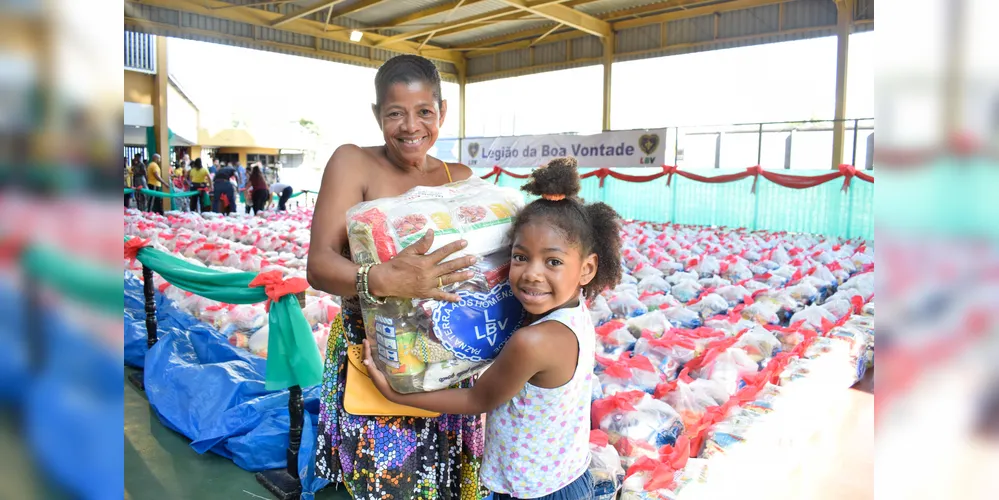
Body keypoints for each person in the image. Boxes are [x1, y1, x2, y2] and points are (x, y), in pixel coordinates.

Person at [364, 157, 623, 500]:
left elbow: (477, 398)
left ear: (587, 269)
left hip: (535, 493)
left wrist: (394, 394)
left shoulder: (533, 341)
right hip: (568, 476)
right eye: (520, 257)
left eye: (553, 261)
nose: (532, 273)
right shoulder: (573, 313)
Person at [307, 54, 482, 499]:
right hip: (374, 354)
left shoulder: (459, 178)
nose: (410, 126)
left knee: (441, 480)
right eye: (395, 113)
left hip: (446, 358)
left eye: (424, 111)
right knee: (387, 481)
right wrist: (384, 281)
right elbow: (320, 265)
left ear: (442, 112)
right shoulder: (353, 163)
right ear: (376, 115)